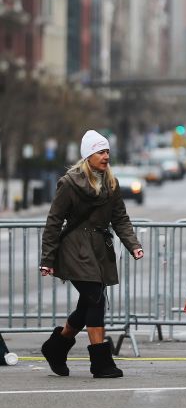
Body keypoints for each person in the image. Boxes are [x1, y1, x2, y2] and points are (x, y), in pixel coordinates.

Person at [39, 130, 144, 378]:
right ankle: (100, 362)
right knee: (96, 297)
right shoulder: (70, 183)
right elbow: (54, 221)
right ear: (88, 156)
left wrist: (133, 244)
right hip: (75, 248)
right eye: (100, 152)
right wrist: (47, 260)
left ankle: (56, 348)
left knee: (87, 303)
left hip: (98, 248)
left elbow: (120, 218)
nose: (106, 156)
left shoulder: (111, 182)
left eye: (107, 151)